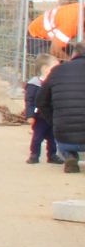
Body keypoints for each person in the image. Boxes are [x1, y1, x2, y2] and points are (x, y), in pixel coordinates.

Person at [38, 43, 85, 172]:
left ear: (73, 55)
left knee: (64, 143)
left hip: (64, 133)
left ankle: (69, 156)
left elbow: (41, 101)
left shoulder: (57, 71)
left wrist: (54, 122)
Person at [25, 55, 62, 165]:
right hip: (39, 117)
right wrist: (30, 115)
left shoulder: (54, 83)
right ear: (46, 69)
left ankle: (52, 155)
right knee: (38, 136)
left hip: (52, 115)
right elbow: (29, 101)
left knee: (52, 137)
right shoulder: (35, 84)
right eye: (55, 67)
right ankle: (34, 154)